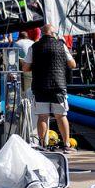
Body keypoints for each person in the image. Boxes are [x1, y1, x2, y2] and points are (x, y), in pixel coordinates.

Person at [23, 23, 77, 152]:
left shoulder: (34, 47)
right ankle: (66, 145)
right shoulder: (61, 45)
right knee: (61, 116)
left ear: (42, 34)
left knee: (43, 116)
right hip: (58, 86)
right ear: (53, 34)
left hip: (40, 86)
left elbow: (25, 68)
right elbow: (72, 64)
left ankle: (43, 145)